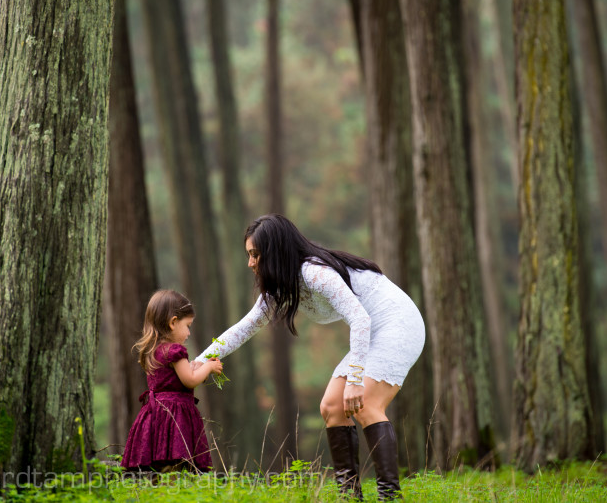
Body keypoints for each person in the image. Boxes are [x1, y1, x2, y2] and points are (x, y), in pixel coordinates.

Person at [194, 214, 425, 500]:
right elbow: (243, 329)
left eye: (255, 254)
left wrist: (354, 380)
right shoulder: (280, 288)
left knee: (365, 404)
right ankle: (349, 497)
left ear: (274, 251)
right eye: (249, 255)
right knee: (332, 407)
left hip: (397, 323)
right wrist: (199, 362)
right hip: (370, 329)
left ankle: (390, 497)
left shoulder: (314, 273)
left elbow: (360, 319)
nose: (250, 263)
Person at [121, 290, 224, 473]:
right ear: (173, 322)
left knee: (161, 465)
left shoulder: (154, 350)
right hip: (175, 416)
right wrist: (207, 367)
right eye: (188, 325)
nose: (189, 333)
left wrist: (193, 367)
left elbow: (172, 380)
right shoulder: (175, 351)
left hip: (156, 414)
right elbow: (190, 381)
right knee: (177, 463)